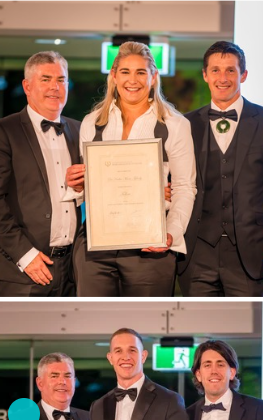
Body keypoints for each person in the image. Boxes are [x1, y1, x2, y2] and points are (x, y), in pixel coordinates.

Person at [68, 42, 194, 297]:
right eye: (125, 72)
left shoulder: (175, 125)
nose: (132, 80)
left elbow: (184, 187)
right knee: (95, 314)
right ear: (114, 76)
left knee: (146, 314)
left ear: (153, 77)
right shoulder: (92, 122)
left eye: (141, 72)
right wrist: (79, 184)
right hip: (97, 244)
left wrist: (171, 233)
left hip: (150, 243)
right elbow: (92, 187)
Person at [180, 40, 263, 297]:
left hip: (253, 254)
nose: (223, 78)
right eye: (215, 70)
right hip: (197, 254)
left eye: (231, 70)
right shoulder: (184, 125)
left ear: (244, 75)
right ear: (205, 75)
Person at [0, 52, 80, 296]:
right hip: (22, 270)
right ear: (27, 86)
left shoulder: (80, 130)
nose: (54, 87)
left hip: (74, 269)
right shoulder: (2, 131)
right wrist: (26, 256)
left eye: (61, 80)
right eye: (46, 79)